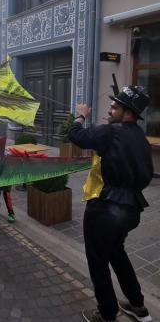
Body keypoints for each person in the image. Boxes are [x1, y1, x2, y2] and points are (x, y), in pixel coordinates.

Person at [68, 86, 153, 322]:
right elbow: (147, 175)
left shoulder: (111, 132)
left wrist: (81, 115)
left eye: (115, 106)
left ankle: (107, 313)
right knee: (117, 253)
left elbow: (75, 135)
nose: (110, 109)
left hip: (104, 210)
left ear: (128, 113)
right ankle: (138, 305)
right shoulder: (141, 138)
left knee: (98, 261)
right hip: (131, 210)